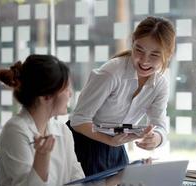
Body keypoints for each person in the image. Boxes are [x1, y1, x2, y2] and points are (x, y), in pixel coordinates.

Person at [0, 55, 118, 186]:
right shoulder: (15, 131)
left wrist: (119, 178)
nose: (71, 94)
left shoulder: (62, 131)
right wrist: (42, 158)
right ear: (45, 96)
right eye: (66, 89)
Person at [68, 16, 176, 176]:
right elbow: (78, 120)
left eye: (154, 55)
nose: (144, 61)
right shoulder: (111, 73)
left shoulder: (160, 84)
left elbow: (160, 126)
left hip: (116, 146)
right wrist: (110, 141)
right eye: (139, 50)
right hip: (83, 144)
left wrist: (156, 139)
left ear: (168, 55)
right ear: (132, 43)